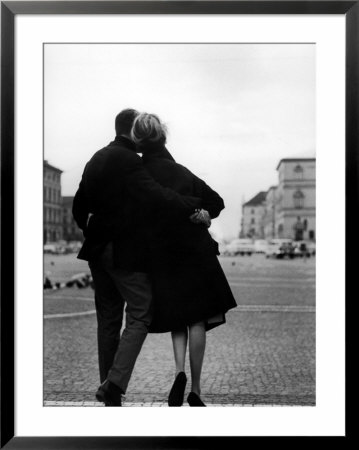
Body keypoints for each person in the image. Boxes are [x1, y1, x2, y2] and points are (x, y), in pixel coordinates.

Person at [72, 109, 203, 406]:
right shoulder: (129, 160)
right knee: (141, 313)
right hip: (122, 251)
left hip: (95, 250)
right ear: (133, 130)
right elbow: (156, 194)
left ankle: (109, 390)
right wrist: (191, 205)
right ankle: (115, 383)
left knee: (107, 320)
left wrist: (92, 229)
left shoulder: (97, 157)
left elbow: (79, 206)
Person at [131, 113, 237, 407]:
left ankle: (179, 373)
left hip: (163, 256)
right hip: (196, 252)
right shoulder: (181, 171)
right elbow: (216, 201)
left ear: (138, 141)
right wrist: (204, 215)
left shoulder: (139, 172)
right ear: (163, 137)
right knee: (197, 320)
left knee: (178, 318)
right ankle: (197, 389)